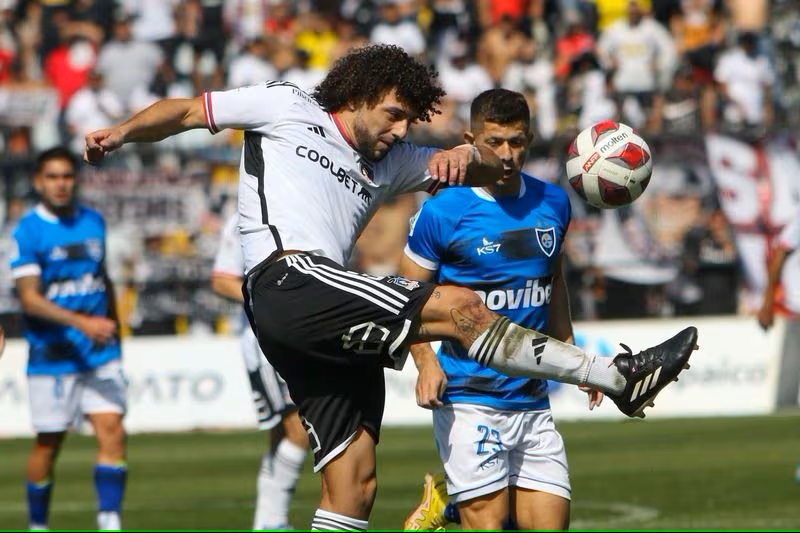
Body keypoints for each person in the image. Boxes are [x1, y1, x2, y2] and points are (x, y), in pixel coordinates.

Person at [83, 44, 698, 530]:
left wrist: (469, 157)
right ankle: (616, 378)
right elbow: (189, 111)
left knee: (354, 482)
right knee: (459, 306)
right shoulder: (284, 105)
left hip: (315, 320)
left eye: (410, 120)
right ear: (360, 95)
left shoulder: (391, 163)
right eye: (395, 114)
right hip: (288, 276)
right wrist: (121, 133)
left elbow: (484, 166)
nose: (401, 130)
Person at [401, 88, 601, 531]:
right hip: (469, 397)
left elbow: (555, 283)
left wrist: (577, 360)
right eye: (494, 142)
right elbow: (406, 296)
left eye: (517, 141)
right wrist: (425, 361)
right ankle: (455, 502)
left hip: (532, 400)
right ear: (471, 139)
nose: (507, 154)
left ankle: (448, 504)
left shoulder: (553, 202)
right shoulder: (443, 210)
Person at [10, 147, 126, 531]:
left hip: (99, 351)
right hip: (52, 354)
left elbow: (102, 278)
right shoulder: (27, 230)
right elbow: (29, 298)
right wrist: (82, 323)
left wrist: (113, 329)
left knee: (112, 429)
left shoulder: (94, 220)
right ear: (38, 182)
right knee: (49, 442)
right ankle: (38, 525)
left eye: (67, 176)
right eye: (53, 177)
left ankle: (109, 522)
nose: (61, 184)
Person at [211, 213, 309, 530]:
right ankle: (275, 521)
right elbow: (222, 279)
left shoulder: (304, 208)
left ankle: (266, 522)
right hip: (264, 340)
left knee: (282, 434)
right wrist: (273, 296)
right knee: (299, 430)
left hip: (299, 335)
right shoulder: (241, 218)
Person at [756, 211, 800, 409]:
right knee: (791, 372)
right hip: (797, 309)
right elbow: (780, 252)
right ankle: (785, 408)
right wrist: (768, 302)